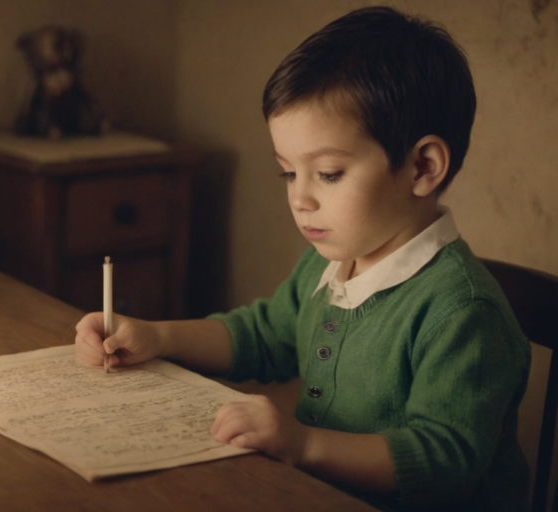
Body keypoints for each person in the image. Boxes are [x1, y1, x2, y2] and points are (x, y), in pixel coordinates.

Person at [74, 6, 530, 511]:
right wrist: (158, 336)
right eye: (289, 173)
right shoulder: (329, 263)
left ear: (423, 167)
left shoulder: (463, 312)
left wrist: (305, 444)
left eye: (329, 173)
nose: (300, 199)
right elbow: (261, 335)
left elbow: (444, 462)